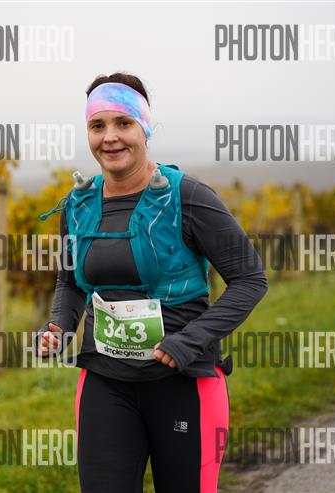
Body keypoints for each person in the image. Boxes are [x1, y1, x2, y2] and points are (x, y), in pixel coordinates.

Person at [35, 72, 268, 493]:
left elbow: (250, 279)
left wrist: (190, 340)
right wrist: (59, 327)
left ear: (144, 127)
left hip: (183, 383)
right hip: (105, 382)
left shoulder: (188, 196)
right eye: (97, 125)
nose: (110, 137)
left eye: (123, 123)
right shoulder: (78, 204)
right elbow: (70, 283)